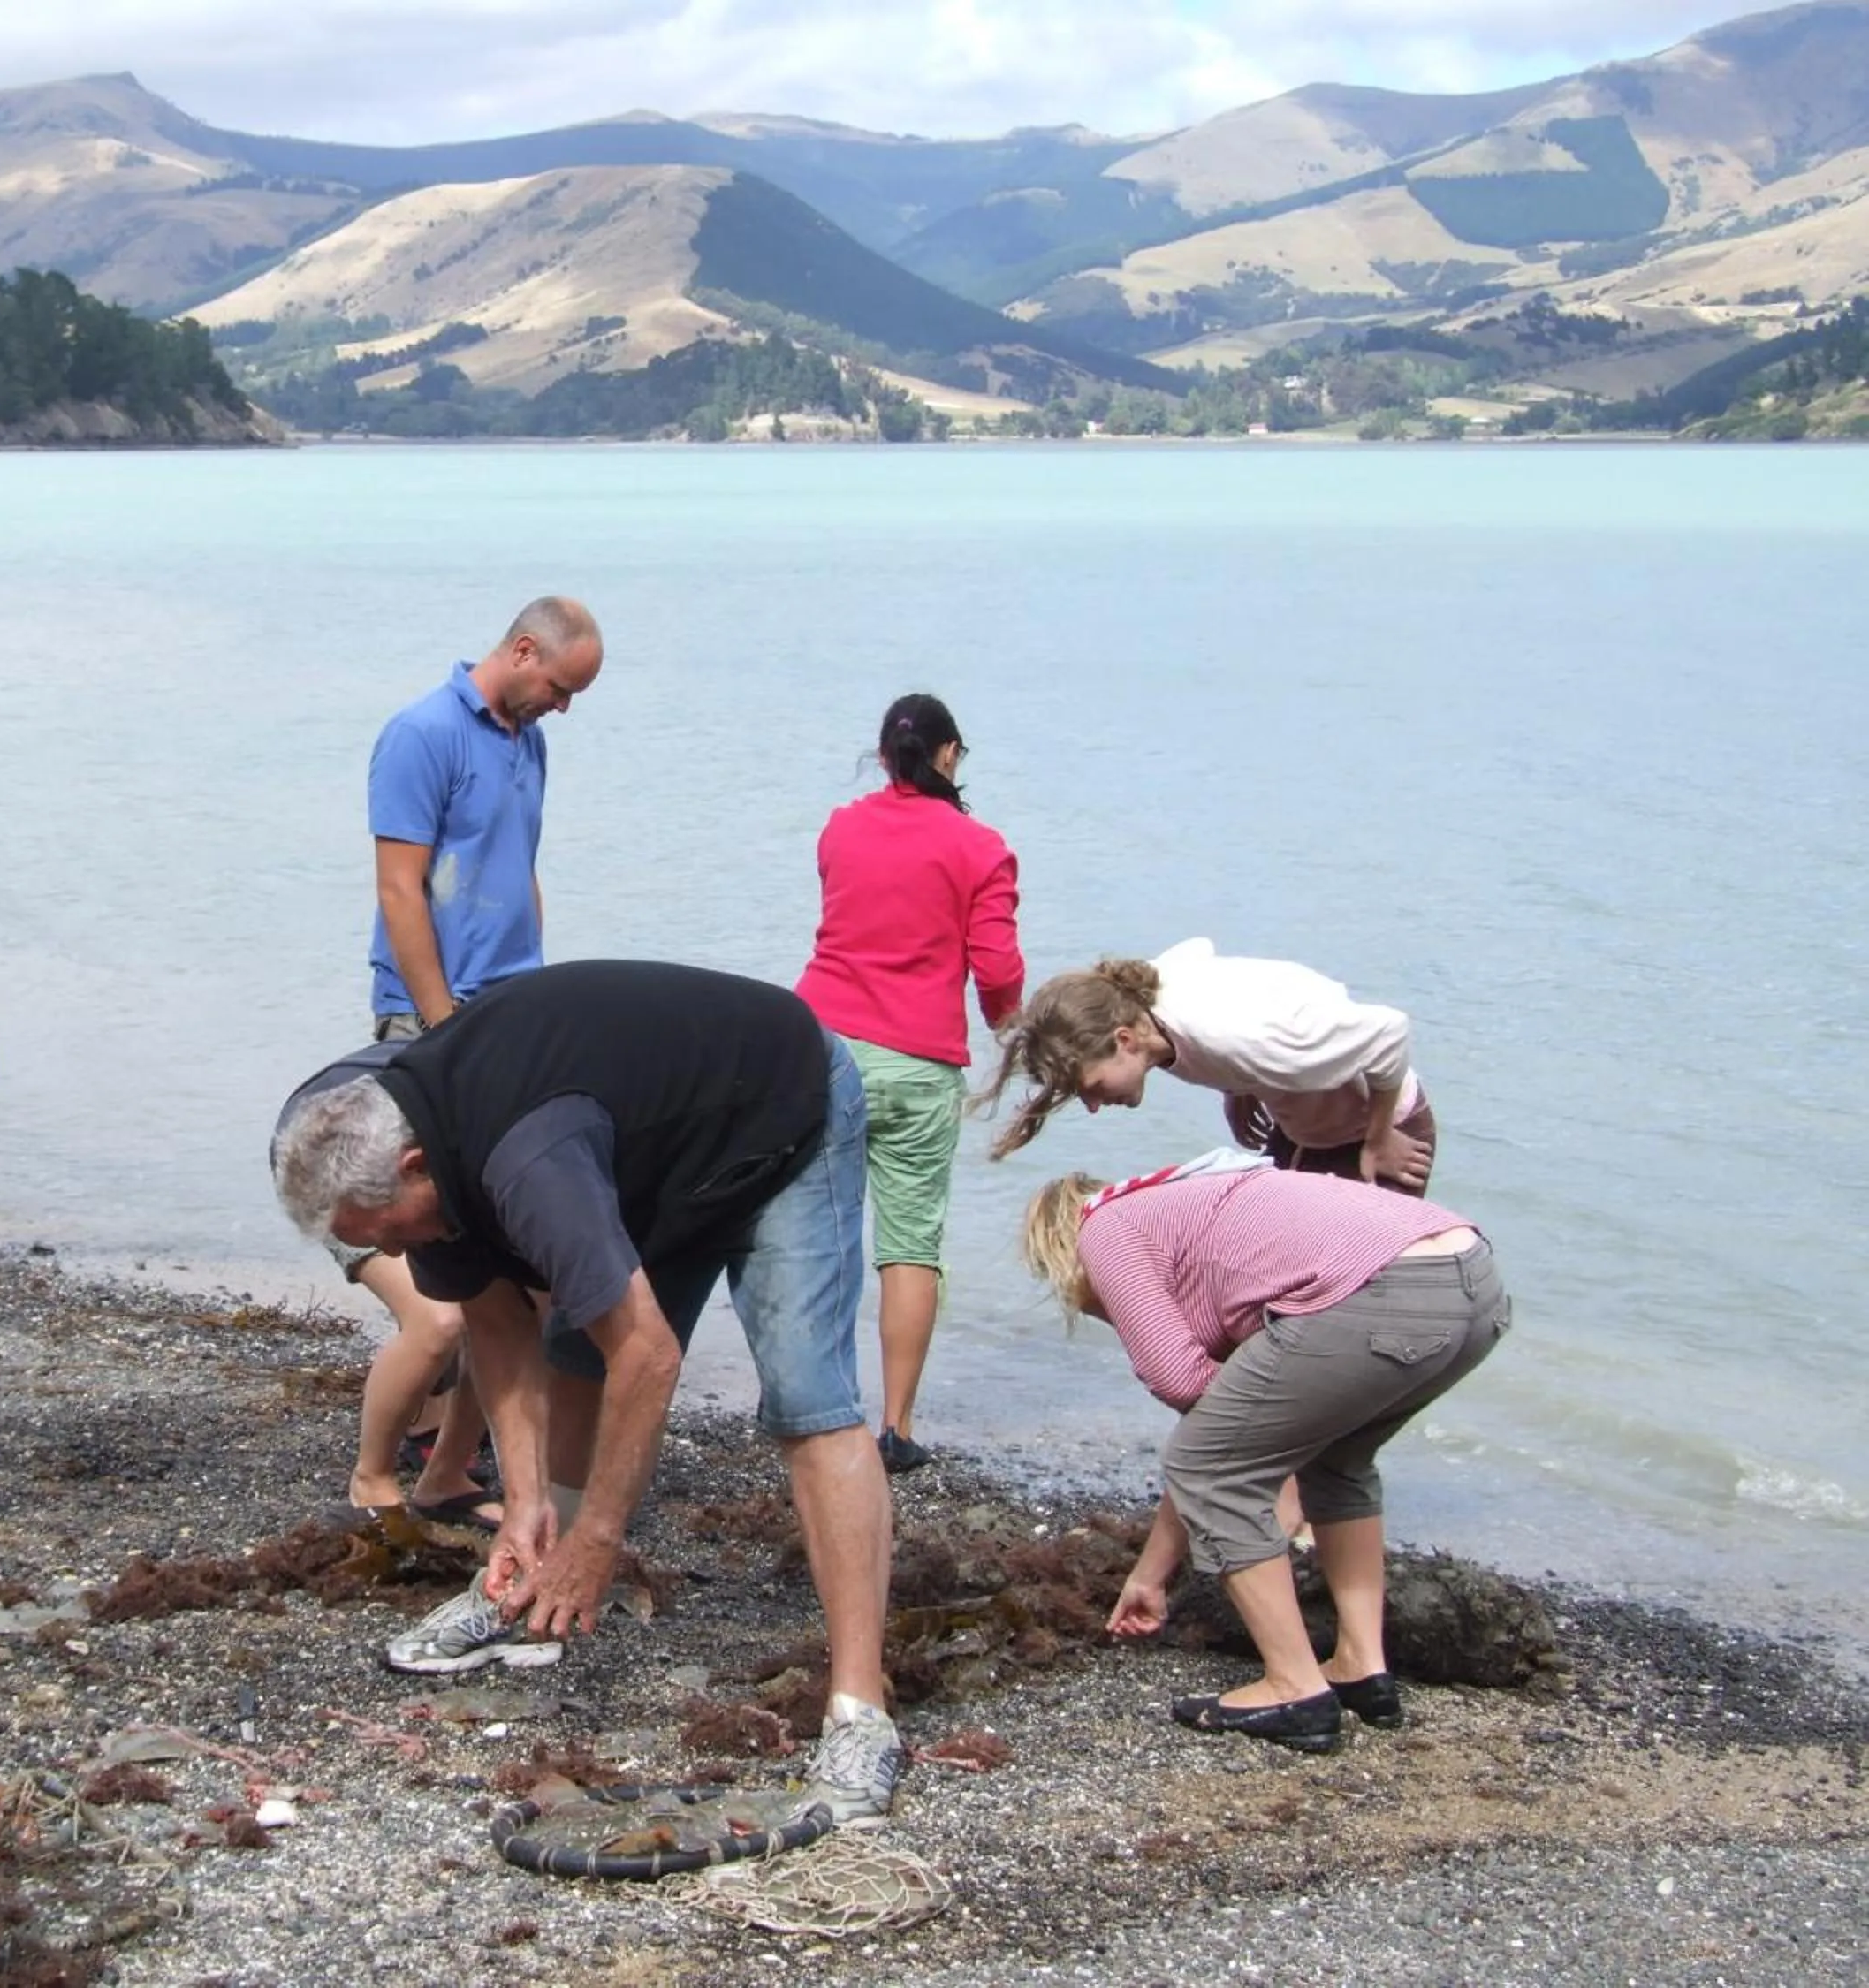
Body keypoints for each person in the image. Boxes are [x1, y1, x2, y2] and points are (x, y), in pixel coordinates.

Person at [271, 960, 908, 1825]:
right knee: (575, 1352)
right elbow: (499, 1326)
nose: (388, 1252)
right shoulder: (425, 1156)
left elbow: (648, 1356)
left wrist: (601, 1538)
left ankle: (862, 1714)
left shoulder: (524, 1160)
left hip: (781, 1107)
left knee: (807, 1398)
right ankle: (526, 1585)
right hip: (662, 1143)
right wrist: (524, 1500)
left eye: (384, 1234)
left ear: (415, 1168)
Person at [1018, 1153, 1509, 1753]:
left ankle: (1293, 1688)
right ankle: (1361, 1665)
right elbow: (1228, 1430)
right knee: (1336, 1460)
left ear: (1062, 1253)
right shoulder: (1200, 1217)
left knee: (1210, 1465)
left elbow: (1186, 1397)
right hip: (1472, 1282)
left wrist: (1230, 1443)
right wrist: (1152, 1575)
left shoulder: (1104, 1228)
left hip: (1384, 1291)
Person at [337, 596, 605, 1526]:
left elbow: (518, 868)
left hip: (509, 1010)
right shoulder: (422, 735)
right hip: (432, 1021)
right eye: (560, 688)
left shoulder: (531, 743)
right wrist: (443, 1024)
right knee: (443, 1259)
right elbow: (400, 889)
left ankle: (449, 1469)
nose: (562, 707)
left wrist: (536, 996)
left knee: (523, 1267)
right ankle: (378, 1468)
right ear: (523, 650)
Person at [795, 693, 1023, 1475]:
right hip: (920, 1062)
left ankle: (813, 1406)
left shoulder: (841, 828)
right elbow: (996, 969)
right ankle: (894, 1428)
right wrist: (1011, 1028)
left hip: (822, 1047)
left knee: (817, 1231)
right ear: (949, 754)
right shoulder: (982, 848)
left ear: (885, 754)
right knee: (910, 1248)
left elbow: (848, 921)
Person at [984, 939, 1437, 1193]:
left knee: (1353, 1304)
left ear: (1124, 1040)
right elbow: (1197, 949)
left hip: (1378, 1136)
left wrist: (1379, 1139)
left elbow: (1389, 1033)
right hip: (1302, 1128)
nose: (1094, 1106)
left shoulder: (1250, 1041)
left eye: (1092, 1087)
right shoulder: (1139, 1002)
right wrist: (1238, 1086)